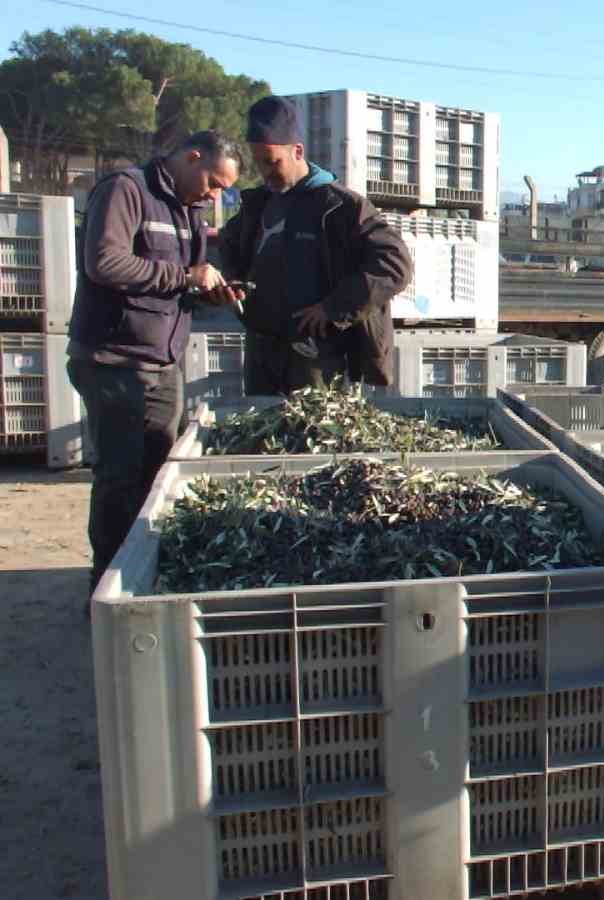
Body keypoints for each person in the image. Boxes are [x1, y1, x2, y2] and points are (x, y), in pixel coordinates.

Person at [67, 131, 242, 593]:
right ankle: (106, 587)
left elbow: (177, 287)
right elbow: (105, 263)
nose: (215, 193)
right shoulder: (126, 190)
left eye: (222, 188)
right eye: (214, 182)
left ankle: (144, 578)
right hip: (113, 361)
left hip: (162, 362)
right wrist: (185, 275)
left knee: (160, 475)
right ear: (192, 156)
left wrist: (208, 291)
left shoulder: (191, 209)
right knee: (119, 479)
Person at [216, 95, 413, 394]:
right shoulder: (257, 205)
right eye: (258, 163)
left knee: (313, 434)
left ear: (297, 151)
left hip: (318, 362)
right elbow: (230, 245)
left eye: (272, 162)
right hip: (262, 358)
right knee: (260, 436)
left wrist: (334, 308)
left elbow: (395, 265)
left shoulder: (343, 207)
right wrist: (233, 282)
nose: (265, 172)